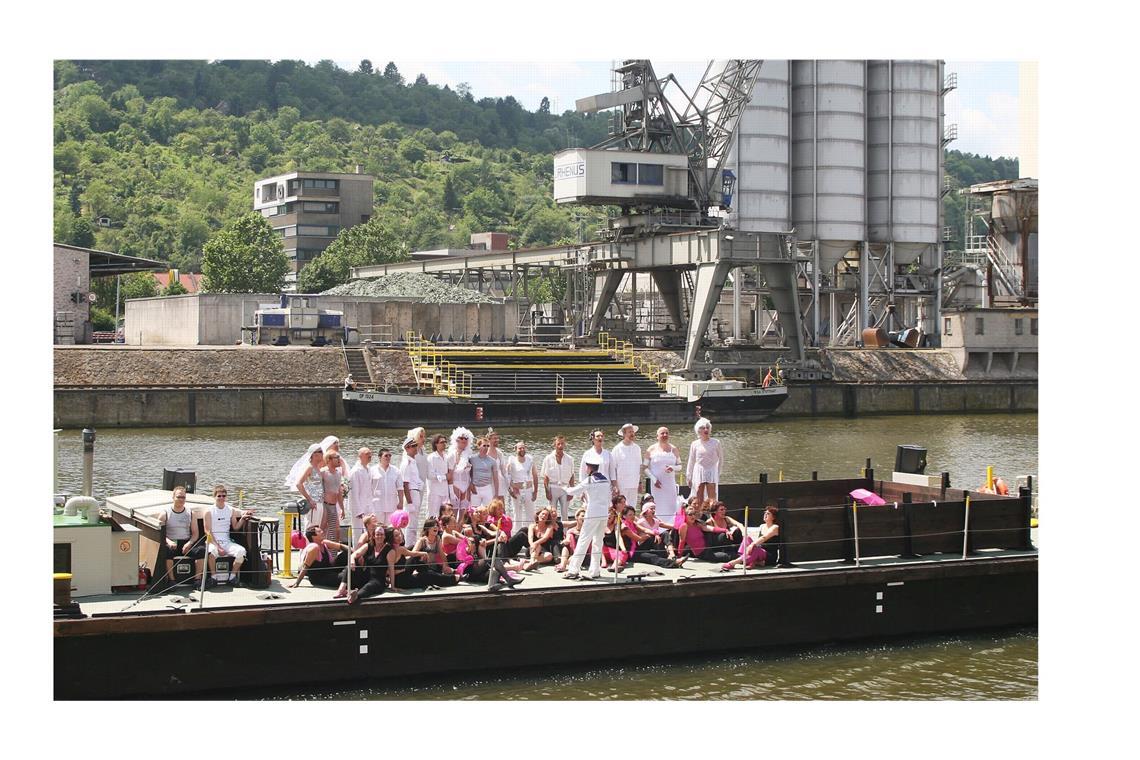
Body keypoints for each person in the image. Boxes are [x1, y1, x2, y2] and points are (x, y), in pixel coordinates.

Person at [562, 449, 612, 580]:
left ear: (589, 467)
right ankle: (595, 570)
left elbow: (573, 491)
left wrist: (564, 487)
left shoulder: (590, 480)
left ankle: (573, 570)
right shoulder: (606, 480)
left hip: (592, 513)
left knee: (584, 540)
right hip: (603, 514)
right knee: (598, 541)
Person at [204, 484, 253, 586]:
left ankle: (232, 577)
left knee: (241, 551)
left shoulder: (231, 510)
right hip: (213, 541)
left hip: (227, 542)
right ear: (214, 497)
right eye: (219, 496)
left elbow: (235, 527)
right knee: (211, 552)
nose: (221, 498)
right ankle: (214, 577)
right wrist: (218, 547)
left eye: (223, 496)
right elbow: (207, 531)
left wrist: (243, 518)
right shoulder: (209, 511)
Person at [158, 486, 204, 587]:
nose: (181, 500)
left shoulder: (191, 513)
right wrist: (169, 542)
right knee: (167, 551)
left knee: (201, 550)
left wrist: (190, 543)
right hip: (172, 542)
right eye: (179, 497)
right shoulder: (165, 513)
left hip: (186, 542)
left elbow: (195, 533)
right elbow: (160, 533)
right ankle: (172, 580)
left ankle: (197, 579)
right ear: (173, 497)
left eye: (183, 497)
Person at [290, 525, 351, 589]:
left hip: (329, 570)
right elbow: (305, 566)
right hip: (320, 578)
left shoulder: (324, 543)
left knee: (346, 554)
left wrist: (356, 553)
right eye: (319, 531)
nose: (322, 532)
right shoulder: (314, 547)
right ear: (313, 536)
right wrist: (297, 582)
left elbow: (341, 546)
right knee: (347, 577)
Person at [722, 505, 780, 571]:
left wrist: (752, 545)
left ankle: (734, 562)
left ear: (773, 517)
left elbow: (764, 537)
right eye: (765, 513)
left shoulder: (775, 527)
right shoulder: (762, 526)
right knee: (747, 538)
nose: (765, 515)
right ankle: (751, 560)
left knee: (754, 547)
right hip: (760, 552)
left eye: (768, 513)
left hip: (769, 555)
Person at [646, 426, 682, 528]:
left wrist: (673, 468)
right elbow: (644, 467)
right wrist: (654, 479)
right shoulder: (651, 449)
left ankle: (671, 527)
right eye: (662, 433)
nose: (665, 435)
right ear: (657, 436)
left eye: (666, 433)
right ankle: (658, 527)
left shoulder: (674, 449)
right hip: (657, 484)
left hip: (669, 484)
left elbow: (680, 466)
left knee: (671, 506)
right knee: (658, 506)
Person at [635, 501, 684, 567]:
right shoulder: (641, 522)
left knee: (665, 533)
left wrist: (678, 526)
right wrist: (655, 534)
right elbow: (642, 532)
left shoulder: (656, 521)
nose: (654, 510)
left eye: (654, 508)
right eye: (651, 509)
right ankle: (669, 558)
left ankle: (672, 554)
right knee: (652, 537)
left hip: (655, 543)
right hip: (644, 545)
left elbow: (664, 524)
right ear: (646, 511)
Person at [686, 417, 724, 505]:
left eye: (707, 427)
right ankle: (698, 514)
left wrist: (717, 472)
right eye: (703, 428)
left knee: (712, 495)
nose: (706, 429)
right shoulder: (694, 444)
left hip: (711, 470)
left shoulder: (716, 442)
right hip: (699, 470)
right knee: (699, 494)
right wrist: (689, 476)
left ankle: (712, 514)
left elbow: (721, 459)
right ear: (698, 430)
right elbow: (691, 460)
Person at [290, 443, 326, 533]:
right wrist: (309, 499)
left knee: (317, 529)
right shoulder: (309, 467)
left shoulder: (317, 468)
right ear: (314, 454)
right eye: (321, 452)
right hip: (313, 502)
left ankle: (314, 546)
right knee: (311, 528)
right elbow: (299, 484)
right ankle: (307, 546)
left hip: (320, 501)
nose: (323, 454)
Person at [506, 441, 539, 535]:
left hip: (528, 490)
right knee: (517, 514)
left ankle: (531, 534)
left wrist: (536, 491)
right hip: (517, 491)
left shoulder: (530, 459)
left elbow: (535, 475)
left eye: (523, 448)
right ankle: (517, 534)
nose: (522, 449)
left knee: (531, 513)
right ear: (516, 450)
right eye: (520, 448)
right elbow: (506, 475)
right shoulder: (511, 460)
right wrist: (511, 488)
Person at [611, 423, 645, 509]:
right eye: (629, 432)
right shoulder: (617, 449)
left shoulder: (637, 448)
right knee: (622, 508)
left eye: (633, 432)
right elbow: (613, 469)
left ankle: (630, 522)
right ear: (624, 434)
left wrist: (640, 482)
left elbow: (639, 467)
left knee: (632, 507)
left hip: (634, 483)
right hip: (622, 484)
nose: (632, 434)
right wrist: (615, 486)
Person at [541, 435, 576, 521]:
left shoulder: (569, 459)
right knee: (552, 512)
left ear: (565, 445)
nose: (560, 446)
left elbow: (572, 476)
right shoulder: (548, 458)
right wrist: (547, 492)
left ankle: (565, 533)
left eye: (562, 444)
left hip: (565, 488)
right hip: (553, 487)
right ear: (555, 445)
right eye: (558, 444)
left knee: (565, 513)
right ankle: (553, 532)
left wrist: (571, 491)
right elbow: (545, 477)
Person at [399, 437, 424, 544]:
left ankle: (413, 545)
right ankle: (409, 546)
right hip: (411, 494)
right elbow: (405, 484)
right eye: (413, 446)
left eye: (416, 445)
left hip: (416, 492)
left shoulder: (413, 461)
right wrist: (409, 502)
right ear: (407, 448)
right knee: (410, 525)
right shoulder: (406, 462)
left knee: (415, 524)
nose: (415, 448)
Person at [347, 447, 376, 537]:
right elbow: (353, 493)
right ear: (360, 456)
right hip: (359, 507)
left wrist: (372, 507)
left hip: (368, 505)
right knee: (358, 532)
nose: (370, 456)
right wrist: (358, 510)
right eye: (367, 454)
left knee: (370, 531)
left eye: (370, 454)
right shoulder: (355, 471)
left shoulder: (368, 469)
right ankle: (356, 549)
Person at [370, 448, 403, 524]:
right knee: (378, 528)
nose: (388, 457)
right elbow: (368, 488)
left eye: (390, 455)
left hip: (392, 505)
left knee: (391, 528)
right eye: (386, 456)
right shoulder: (372, 470)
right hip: (377, 505)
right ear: (380, 457)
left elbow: (400, 488)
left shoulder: (396, 471)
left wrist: (401, 502)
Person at [319, 450, 346, 542]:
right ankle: (320, 553)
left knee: (335, 532)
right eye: (336, 457)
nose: (339, 459)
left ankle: (332, 555)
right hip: (325, 505)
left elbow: (339, 492)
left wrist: (342, 508)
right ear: (329, 459)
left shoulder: (338, 473)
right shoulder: (323, 472)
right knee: (322, 530)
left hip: (334, 506)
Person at [446, 427, 474, 510]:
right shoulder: (451, 455)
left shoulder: (469, 454)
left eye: (466, 438)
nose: (464, 440)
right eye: (461, 438)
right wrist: (451, 491)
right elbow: (450, 473)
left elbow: (472, 472)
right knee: (454, 509)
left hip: (466, 484)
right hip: (455, 484)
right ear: (456, 440)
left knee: (464, 510)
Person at [425, 434, 452, 517]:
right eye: (441, 442)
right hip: (434, 492)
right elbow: (430, 475)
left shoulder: (446, 457)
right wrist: (445, 477)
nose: (444, 444)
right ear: (436, 444)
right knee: (433, 515)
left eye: (445, 442)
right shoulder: (431, 457)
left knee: (444, 515)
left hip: (444, 491)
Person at [469, 438, 500, 507]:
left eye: (487, 446)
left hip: (487, 488)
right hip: (475, 489)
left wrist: (496, 494)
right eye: (484, 445)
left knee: (488, 511)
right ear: (479, 446)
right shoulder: (471, 459)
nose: (486, 448)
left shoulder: (492, 461)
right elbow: (468, 474)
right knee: (474, 511)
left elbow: (495, 478)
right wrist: (470, 484)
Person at [554, 508, 586, 572]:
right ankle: (563, 565)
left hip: (584, 554)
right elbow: (568, 539)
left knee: (571, 560)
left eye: (586, 516)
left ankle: (564, 563)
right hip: (573, 552)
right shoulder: (571, 530)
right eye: (582, 516)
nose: (584, 518)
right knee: (566, 547)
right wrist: (565, 541)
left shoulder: (588, 531)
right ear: (577, 517)